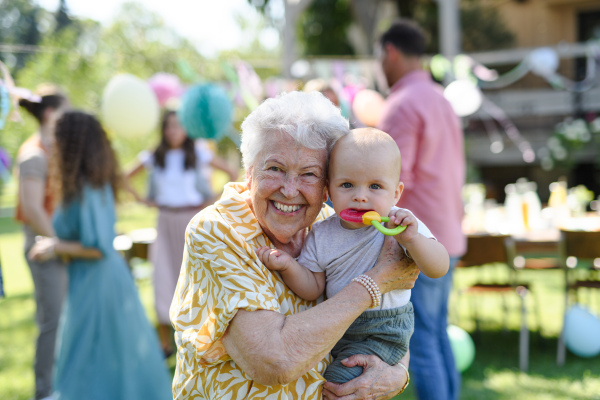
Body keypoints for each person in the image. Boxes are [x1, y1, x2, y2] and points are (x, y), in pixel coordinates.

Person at [170, 91, 419, 400]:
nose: (289, 190)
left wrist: (397, 372)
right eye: (275, 169)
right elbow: (274, 362)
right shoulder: (218, 230)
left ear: (328, 183)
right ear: (250, 173)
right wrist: (374, 282)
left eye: (309, 174)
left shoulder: (333, 223)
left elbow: (393, 311)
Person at [257, 127, 449, 384]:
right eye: (347, 185)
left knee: (340, 381)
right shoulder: (322, 233)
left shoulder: (399, 225)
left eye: (375, 186)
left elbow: (439, 268)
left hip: (383, 330)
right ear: (328, 191)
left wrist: (412, 240)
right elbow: (313, 288)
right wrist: (288, 266)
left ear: (396, 193)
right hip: (337, 327)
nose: (360, 196)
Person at [28, 111, 172, 400]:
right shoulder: (80, 183)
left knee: (89, 357)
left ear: (71, 143)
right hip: (87, 280)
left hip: (100, 282)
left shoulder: (89, 187)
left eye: (57, 138)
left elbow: (100, 246)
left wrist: (54, 247)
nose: (52, 143)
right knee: (93, 355)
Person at [377, 19, 467, 400]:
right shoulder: (441, 97)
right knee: (438, 331)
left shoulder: (401, 103)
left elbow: (392, 179)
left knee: (422, 339)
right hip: (450, 230)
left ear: (390, 52)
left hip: (422, 238)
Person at [125, 110, 238, 357]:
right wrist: (143, 199)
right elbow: (125, 177)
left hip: (192, 219)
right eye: (168, 127)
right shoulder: (155, 156)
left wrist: (212, 199)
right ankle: (165, 344)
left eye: (178, 126)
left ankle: (202, 338)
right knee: (163, 277)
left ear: (186, 129)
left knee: (195, 278)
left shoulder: (197, 153)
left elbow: (231, 172)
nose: (173, 131)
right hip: (165, 219)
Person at [14, 84, 69, 400]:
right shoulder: (33, 153)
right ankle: (44, 392)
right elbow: (33, 208)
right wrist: (58, 243)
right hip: (43, 247)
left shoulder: (55, 149)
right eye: (66, 108)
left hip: (57, 244)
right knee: (52, 321)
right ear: (50, 113)